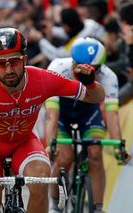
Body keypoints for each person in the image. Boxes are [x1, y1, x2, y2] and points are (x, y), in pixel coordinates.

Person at [0, 28, 105, 213]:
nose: (8, 69)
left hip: (24, 143)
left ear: (24, 59)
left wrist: (90, 84)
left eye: (14, 61)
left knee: (40, 180)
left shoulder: (42, 78)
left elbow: (96, 97)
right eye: (1, 64)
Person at [44, 37, 128, 213]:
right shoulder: (58, 67)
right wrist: (50, 143)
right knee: (63, 158)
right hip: (62, 114)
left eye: (91, 70)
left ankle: (97, 208)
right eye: (77, 65)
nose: (81, 71)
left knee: (95, 155)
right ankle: (55, 205)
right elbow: (52, 114)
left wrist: (118, 146)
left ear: (99, 69)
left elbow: (112, 116)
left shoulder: (108, 76)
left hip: (88, 115)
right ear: (72, 61)